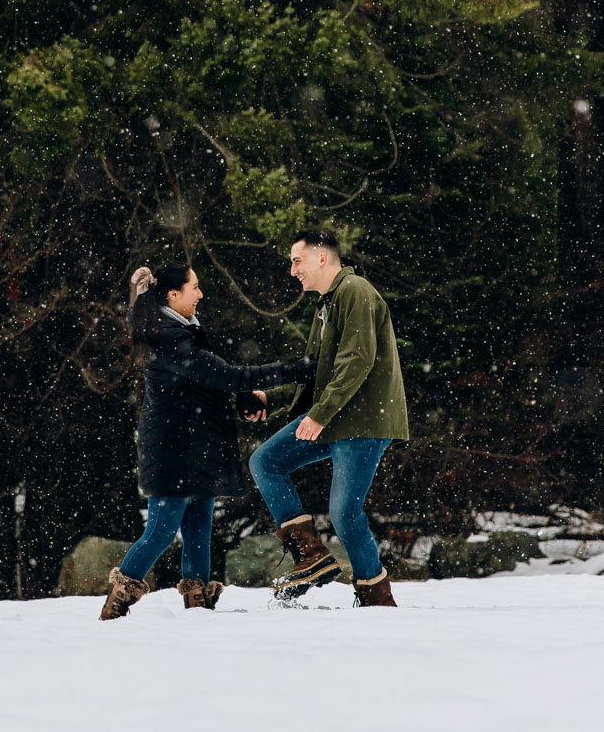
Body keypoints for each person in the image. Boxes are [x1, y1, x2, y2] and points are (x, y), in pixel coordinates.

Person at [100, 264, 311, 620]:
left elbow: (209, 380)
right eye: (194, 287)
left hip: (195, 447)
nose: (200, 294)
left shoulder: (181, 330)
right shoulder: (169, 337)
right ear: (172, 295)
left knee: (199, 528)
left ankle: (199, 609)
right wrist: (297, 369)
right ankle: (115, 607)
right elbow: (222, 374)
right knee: (161, 531)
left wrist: (244, 395)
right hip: (172, 451)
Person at [250, 229, 410, 607]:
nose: (293, 271)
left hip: (363, 421)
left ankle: (376, 597)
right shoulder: (328, 303)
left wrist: (319, 415)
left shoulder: (355, 290)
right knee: (265, 461)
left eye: (297, 261)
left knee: (344, 513)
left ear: (322, 258)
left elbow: (358, 360)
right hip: (336, 417)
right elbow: (317, 373)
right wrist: (268, 398)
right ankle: (311, 556)